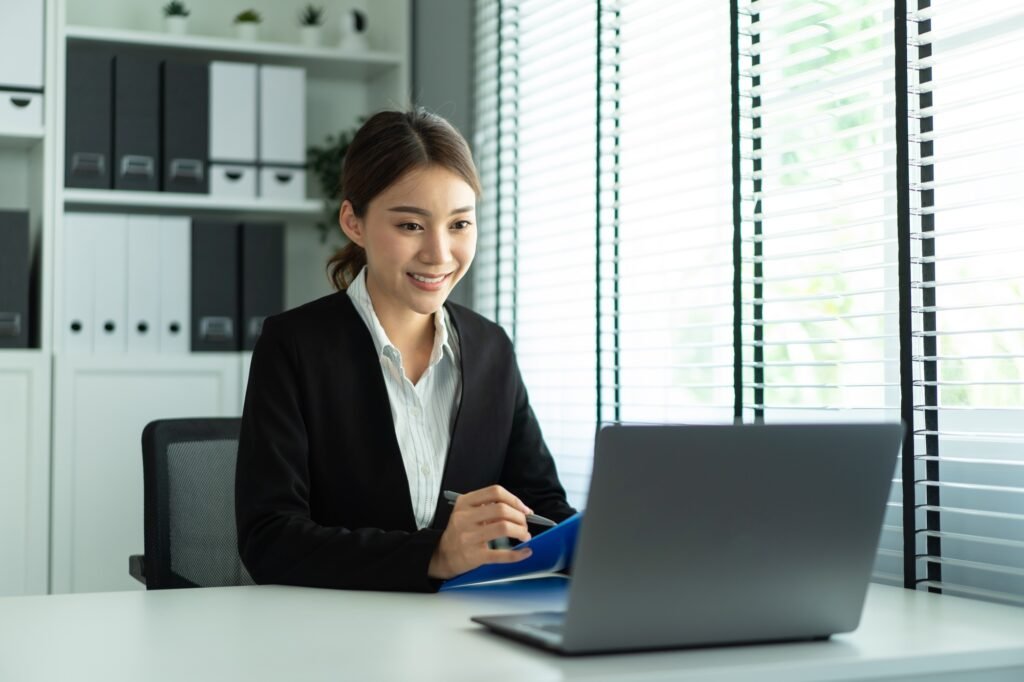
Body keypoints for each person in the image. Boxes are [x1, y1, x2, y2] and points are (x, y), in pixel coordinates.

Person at [235, 109, 576, 592]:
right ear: (354, 222)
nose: (439, 253)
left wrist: (604, 546)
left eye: (459, 224)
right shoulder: (294, 345)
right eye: (411, 226)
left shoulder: (490, 348)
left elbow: (544, 511)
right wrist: (435, 554)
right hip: (336, 638)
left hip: (466, 636)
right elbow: (269, 539)